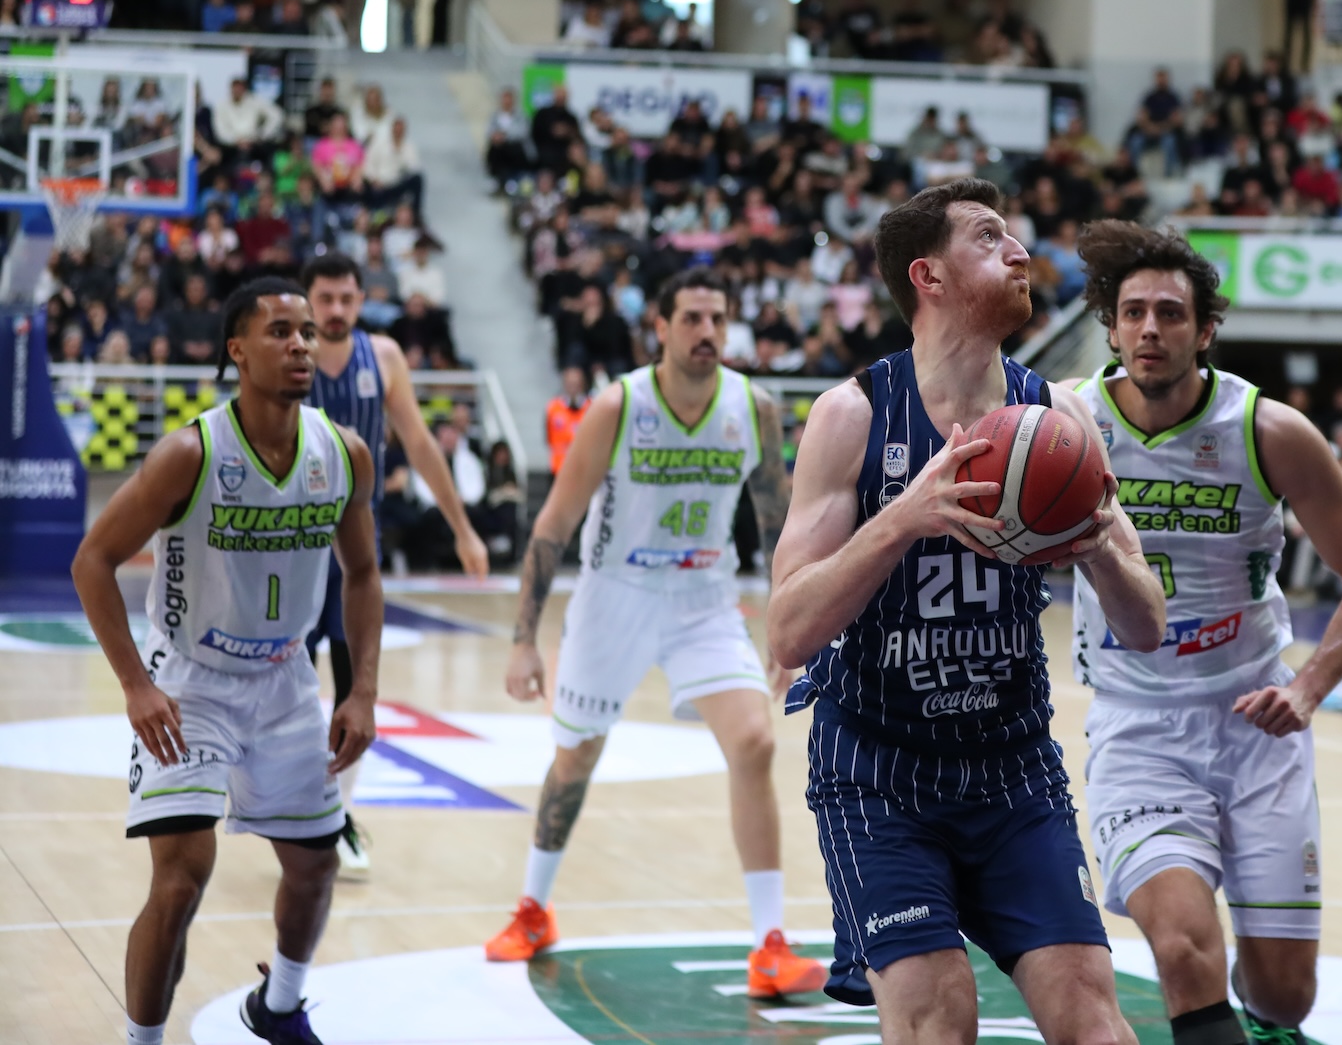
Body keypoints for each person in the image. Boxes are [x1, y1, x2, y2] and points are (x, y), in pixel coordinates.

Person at [766, 180, 1165, 1039]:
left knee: (1093, 1013)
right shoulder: (854, 416)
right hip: (879, 770)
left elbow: (1147, 623)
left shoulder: (1057, 418)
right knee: (937, 1016)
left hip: (1012, 765)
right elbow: (790, 629)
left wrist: (1098, 543)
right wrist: (905, 514)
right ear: (930, 276)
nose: (1020, 250)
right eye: (989, 238)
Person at [1065, 222, 1342, 1045]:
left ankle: (1265, 1017)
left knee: (1286, 995)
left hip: (1254, 721)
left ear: (1205, 330)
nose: (1150, 328)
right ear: (1109, 325)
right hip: (1138, 725)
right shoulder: (1063, 421)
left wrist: (1308, 686)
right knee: (1182, 944)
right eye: (1133, 311)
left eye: (1171, 313)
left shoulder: (1269, 429)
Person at [487, 269, 826, 998]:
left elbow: (777, 522)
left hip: (704, 598)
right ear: (662, 329)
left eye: (719, 318)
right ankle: (533, 906)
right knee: (574, 758)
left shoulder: (753, 407)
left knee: (755, 741)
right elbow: (553, 525)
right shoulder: (620, 405)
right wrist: (523, 637)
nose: (708, 331)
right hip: (615, 596)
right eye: (693, 317)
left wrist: (784, 624)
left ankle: (770, 942)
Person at [71, 279, 381, 1045]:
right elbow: (94, 558)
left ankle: (277, 1009)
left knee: (315, 867)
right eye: (280, 330)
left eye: (308, 330)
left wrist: (362, 691)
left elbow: (365, 574)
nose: (302, 344)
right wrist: (136, 685)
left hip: (285, 684)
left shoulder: (343, 453)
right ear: (237, 350)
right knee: (180, 880)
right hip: (189, 682)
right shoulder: (190, 452)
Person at [300, 254, 488, 876]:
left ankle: (337, 817)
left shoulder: (382, 359)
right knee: (289, 688)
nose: (334, 310)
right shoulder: (288, 352)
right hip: (290, 544)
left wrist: (462, 528)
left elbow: (419, 442)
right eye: (324, 298)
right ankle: (290, 807)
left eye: (345, 298)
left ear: (361, 300)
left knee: (357, 688)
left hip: (358, 550)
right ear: (307, 301)